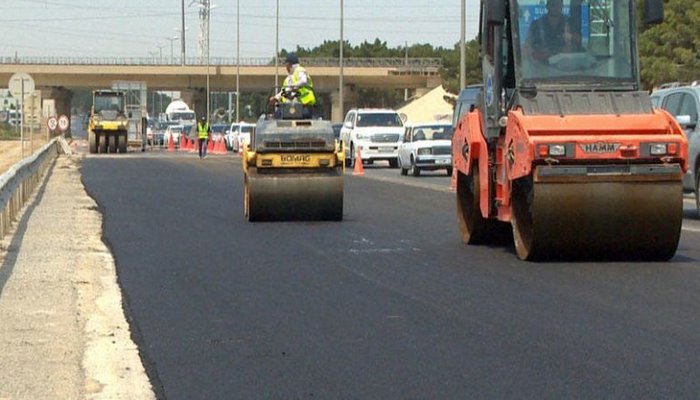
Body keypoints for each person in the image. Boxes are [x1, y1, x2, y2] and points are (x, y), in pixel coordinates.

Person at [268, 53, 317, 118]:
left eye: (286, 65)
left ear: (289, 64)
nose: (285, 67)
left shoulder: (300, 70)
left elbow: (303, 80)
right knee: (277, 115)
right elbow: (285, 91)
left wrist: (293, 87)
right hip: (288, 107)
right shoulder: (289, 78)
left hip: (304, 107)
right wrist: (276, 98)